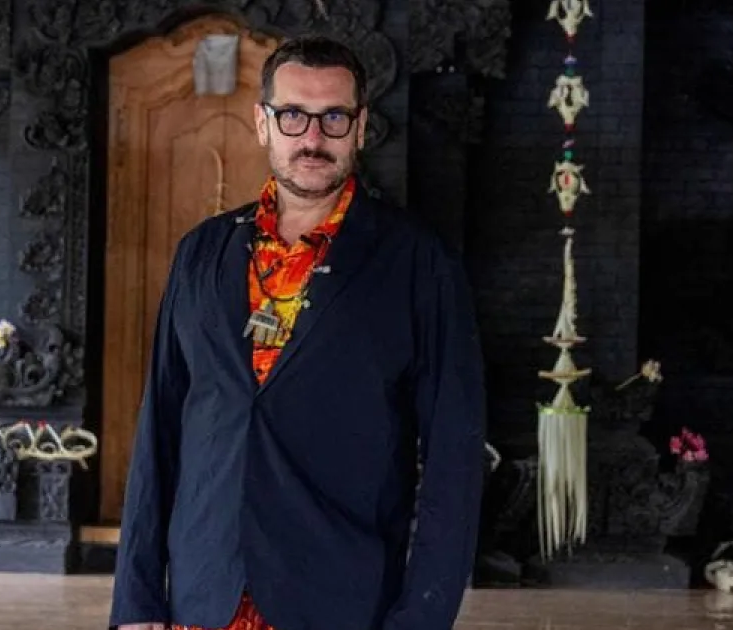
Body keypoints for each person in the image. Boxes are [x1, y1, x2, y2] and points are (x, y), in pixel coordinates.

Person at [109, 34, 487, 630]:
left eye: (334, 117)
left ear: (360, 127)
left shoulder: (418, 262)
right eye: (293, 115)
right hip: (203, 594)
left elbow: (453, 460)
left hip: (342, 598)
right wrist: (135, 602)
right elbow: (160, 429)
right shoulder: (201, 254)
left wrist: (422, 616)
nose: (312, 137)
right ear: (263, 123)